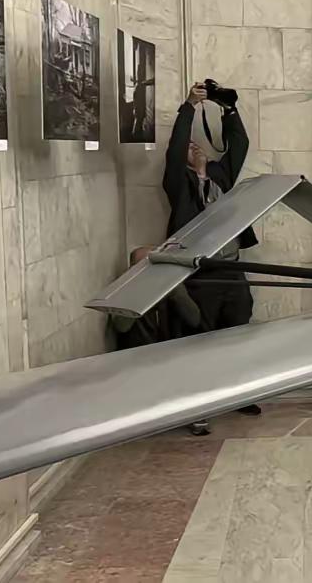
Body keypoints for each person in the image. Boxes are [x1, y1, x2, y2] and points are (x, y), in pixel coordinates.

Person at [164, 81, 262, 417]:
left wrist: (228, 108)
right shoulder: (179, 184)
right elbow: (175, 150)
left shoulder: (221, 174)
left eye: (198, 145)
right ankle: (199, 408)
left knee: (238, 331)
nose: (195, 148)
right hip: (200, 272)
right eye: (189, 147)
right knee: (200, 338)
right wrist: (189, 106)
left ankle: (239, 394)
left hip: (232, 269)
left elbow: (239, 144)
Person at [110, 246, 213, 435]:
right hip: (140, 353)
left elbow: (194, 318)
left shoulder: (171, 286)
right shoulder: (125, 290)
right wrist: (139, 293)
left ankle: (193, 414)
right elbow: (121, 326)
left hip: (170, 348)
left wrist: (176, 293)